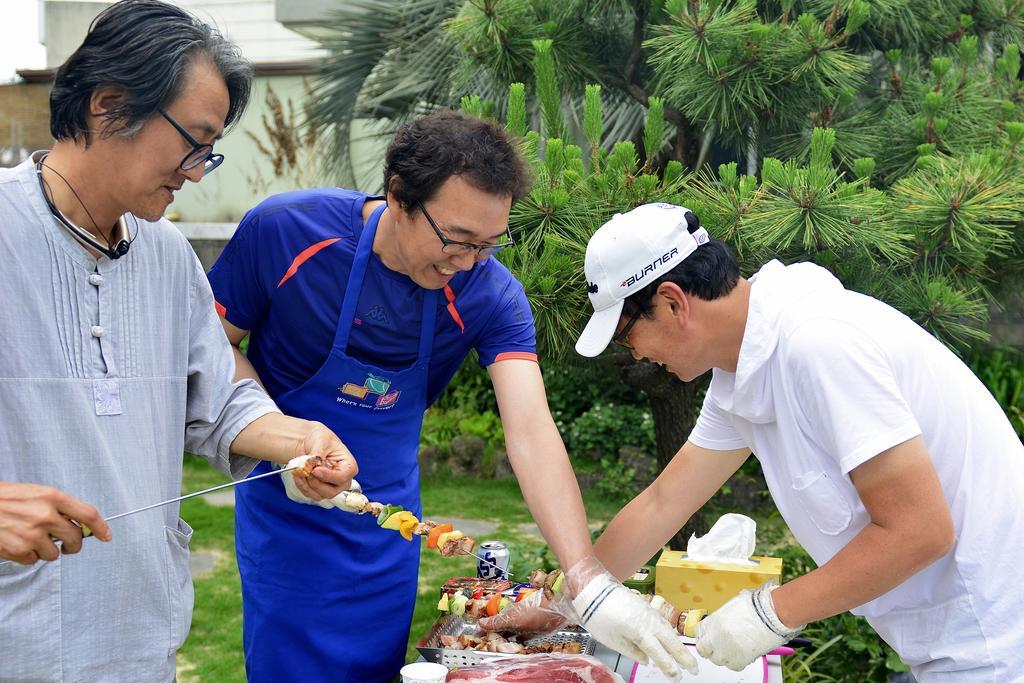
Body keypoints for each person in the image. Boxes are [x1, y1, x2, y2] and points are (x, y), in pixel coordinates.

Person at [207, 111, 697, 681]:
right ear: (397, 196)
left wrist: (584, 578)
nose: (465, 263)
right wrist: (279, 437)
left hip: (389, 521)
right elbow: (213, 352)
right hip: (287, 511)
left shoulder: (491, 295)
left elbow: (532, 431)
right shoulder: (287, 232)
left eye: (487, 245)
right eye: (456, 240)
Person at [0, 2, 356, 681]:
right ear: (107, 106)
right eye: (192, 141)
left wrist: (298, 439)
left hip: (141, 646)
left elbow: (217, 402)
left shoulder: (167, 257)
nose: (198, 170)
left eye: (209, 149)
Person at [565, 202, 1024, 680]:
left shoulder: (819, 344)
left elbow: (920, 530)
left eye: (625, 335)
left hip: (996, 641)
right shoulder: (741, 371)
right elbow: (662, 503)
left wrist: (771, 613)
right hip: (948, 642)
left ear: (674, 302)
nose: (634, 352)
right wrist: (570, 599)